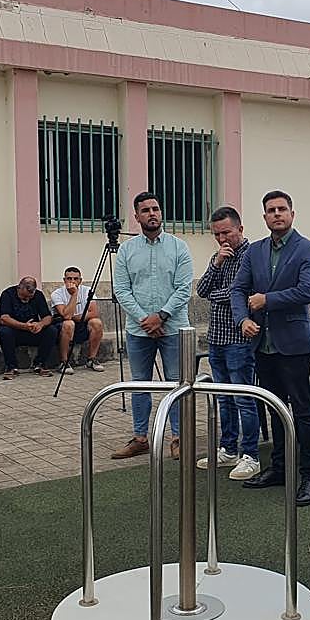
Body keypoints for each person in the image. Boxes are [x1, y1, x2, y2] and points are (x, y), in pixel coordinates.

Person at [231, 190, 310, 506]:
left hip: (294, 345)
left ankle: (308, 476)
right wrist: (243, 319)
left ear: (292, 214)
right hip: (263, 345)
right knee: (274, 408)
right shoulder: (254, 251)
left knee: (302, 411)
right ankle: (280, 469)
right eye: (271, 210)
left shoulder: (307, 249)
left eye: (282, 209)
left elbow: (307, 291)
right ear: (265, 217)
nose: (277, 214)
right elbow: (239, 289)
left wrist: (267, 300)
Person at [110, 191, 193, 460]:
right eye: (145, 210)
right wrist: (146, 320)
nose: (152, 214)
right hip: (139, 331)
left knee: (177, 384)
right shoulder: (126, 250)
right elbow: (121, 290)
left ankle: (179, 437)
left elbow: (184, 289)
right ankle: (140, 438)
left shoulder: (179, 247)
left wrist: (162, 316)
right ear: (136, 216)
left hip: (173, 328)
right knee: (139, 384)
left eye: (155, 208)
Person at [195, 206, 260, 481]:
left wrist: (224, 294)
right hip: (217, 338)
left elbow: (241, 294)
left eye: (227, 232)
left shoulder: (253, 256)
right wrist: (216, 264)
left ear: (240, 229)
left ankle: (251, 455)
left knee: (244, 398)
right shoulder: (218, 257)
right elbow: (201, 291)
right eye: (217, 234)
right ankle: (228, 448)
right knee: (223, 397)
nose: (223, 239)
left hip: (239, 338)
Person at [0, 276, 57, 379]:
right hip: (15, 331)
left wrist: (40, 324)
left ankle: (40, 364)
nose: (27, 300)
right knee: (4, 331)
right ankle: (11, 367)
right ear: (19, 288)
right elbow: (4, 318)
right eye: (24, 297)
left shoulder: (38, 295)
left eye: (30, 298)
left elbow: (47, 317)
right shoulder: (7, 294)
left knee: (51, 330)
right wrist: (23, 326)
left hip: (32, 331)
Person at [49, 266, 106, 374]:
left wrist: (76, 317)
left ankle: (91, 359)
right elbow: (65, 316)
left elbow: (94, 312)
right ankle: (64, 361)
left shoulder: (88, 291)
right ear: (64, 280)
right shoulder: (57, 294)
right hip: (63, 327)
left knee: (96, 322)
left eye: (75, 279)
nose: (72, 281)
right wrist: (74, 294)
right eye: (69, 278)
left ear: (80, 280)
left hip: (81, 324)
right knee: (68, 324)